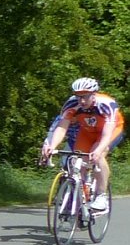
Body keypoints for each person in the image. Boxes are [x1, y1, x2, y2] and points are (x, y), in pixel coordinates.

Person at [41, 77, 124, 212]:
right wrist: (52, 145)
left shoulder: (106, 104)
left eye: (85, 97)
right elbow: (61, 128)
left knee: (98, 155)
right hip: (87, 132)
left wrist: (98, 150)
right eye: (78, 97)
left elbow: (107, 134)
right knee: (76, 161)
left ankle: (101, 196)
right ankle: (81, 195)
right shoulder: (71, 104)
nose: (82, 101)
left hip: (110, 131)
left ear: (94, 94)